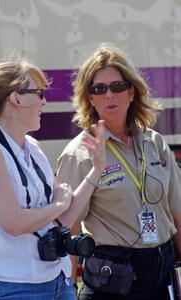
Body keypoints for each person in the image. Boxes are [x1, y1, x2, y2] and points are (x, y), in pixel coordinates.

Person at [56, 44, 181, 300]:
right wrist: (68, 289)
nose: (108, 95)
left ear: (131, 92)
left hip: (162, 273)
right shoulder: (78, 154)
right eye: (98, 89)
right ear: (89, 98)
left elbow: (177, 212)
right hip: (113, 280)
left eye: (117, 86)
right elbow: (69, 230)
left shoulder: (155, 143)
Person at [0, 60, 106, 300]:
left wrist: (96, 170)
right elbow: (14, 223)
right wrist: (57, 205)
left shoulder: (34, 148)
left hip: (58, 281)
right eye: (38, 93)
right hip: (13, 286)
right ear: (16, 99)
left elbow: (62, 221)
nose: (44, 101)